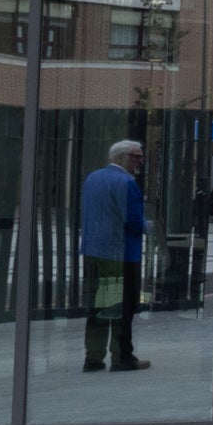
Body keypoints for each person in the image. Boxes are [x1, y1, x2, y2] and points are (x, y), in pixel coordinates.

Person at [79, 138, 149, 372]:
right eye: (136, 156)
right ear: (120, 157)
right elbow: (133, 220)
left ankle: (93, 357)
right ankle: (122, 357)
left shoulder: (92, 178)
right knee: (122, 306)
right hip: (121, 255)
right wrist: (151, 227)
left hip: (93, 252)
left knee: (96, 307)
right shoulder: (127, 183)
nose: (141, 160)